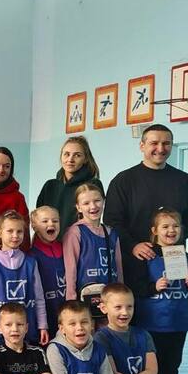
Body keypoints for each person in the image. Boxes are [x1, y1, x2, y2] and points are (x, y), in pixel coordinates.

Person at [103, 124, 188, 288]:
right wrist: (132, 245)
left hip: (173, 260)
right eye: (154, 143)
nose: (160, 149)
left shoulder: (185, 181)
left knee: (174, 301)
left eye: (166, 143)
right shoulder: (124, 181)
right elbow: (112, 221)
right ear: (142, 146)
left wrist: (171, 240)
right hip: (136, 261)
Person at [127, 208, 188, 374]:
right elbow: (136, 287)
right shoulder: (146, 256)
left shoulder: (186, 257)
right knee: (151, 362)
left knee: (173, 362)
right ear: (154, 230)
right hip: (152, 322)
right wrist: (154, 287)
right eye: (165, 226)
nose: (171, 230)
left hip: (178, 321)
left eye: (175, 226)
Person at [0, 211, 49, 347]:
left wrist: (42, 326)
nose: (15, 235)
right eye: (10, 231)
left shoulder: (30, 262)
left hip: (27, 329)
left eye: (19, 231)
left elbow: (39, 298)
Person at [63, 182, 124, 320]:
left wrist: (121, 296)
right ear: (78, 207)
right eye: (86, 203)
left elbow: (119, 268)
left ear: (103, 201)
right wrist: (71, 302)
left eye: (97, 200)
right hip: (84, 300)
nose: (93, 206)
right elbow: (70, 270)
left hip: (110, 300)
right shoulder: (75, 232)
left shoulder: (112, 233)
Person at [35, 136, 103, 231]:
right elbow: (39, 221)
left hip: (79, 239)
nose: (70, 159)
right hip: (51, 240)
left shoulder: (93, 185)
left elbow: (93, 222)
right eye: (66, 154)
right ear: (61, 157)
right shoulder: (49, 186)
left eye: (77, 155)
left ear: (85, 159)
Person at [28, 206, 65, 336]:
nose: (51, 224)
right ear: (34, 226)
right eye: (45, 221)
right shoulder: (31, 256)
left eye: (55, 221)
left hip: (67, 314)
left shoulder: (66, 248)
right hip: (46, 316)